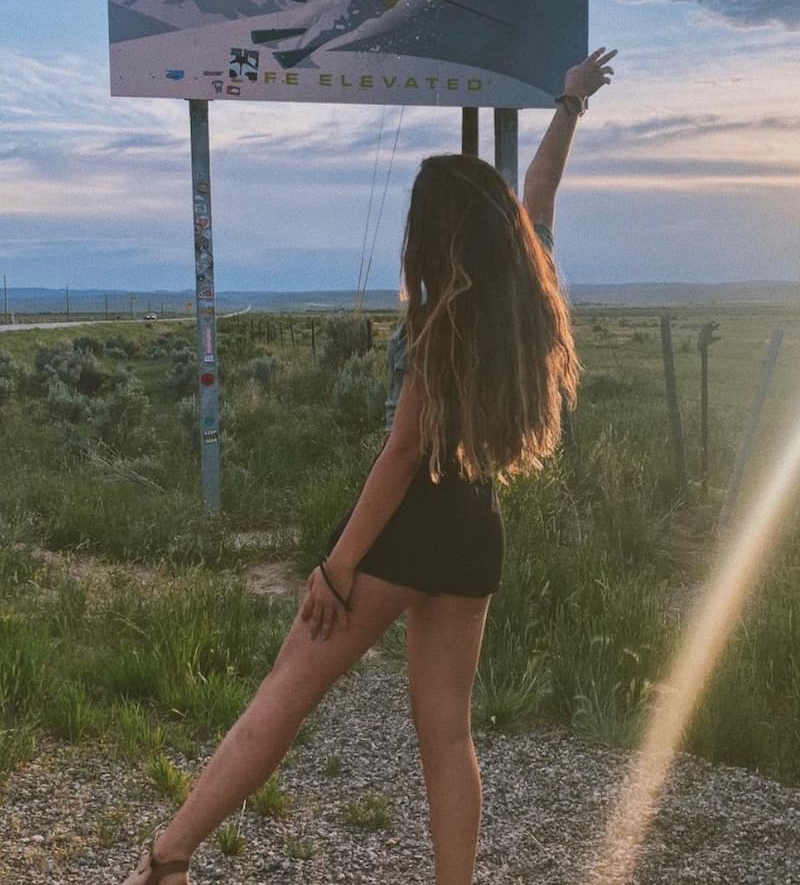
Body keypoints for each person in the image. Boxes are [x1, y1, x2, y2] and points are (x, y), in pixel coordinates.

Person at [121, 45, 617, 885]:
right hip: (475, 533)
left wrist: (337, 566)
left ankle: (167, 861)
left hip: (407, 528)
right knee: (449, 739)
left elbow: (400, 455)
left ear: (435, 235)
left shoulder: (440, 320)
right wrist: (568, 105)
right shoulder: (528, 295)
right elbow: (540, 191)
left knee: (284, 697)